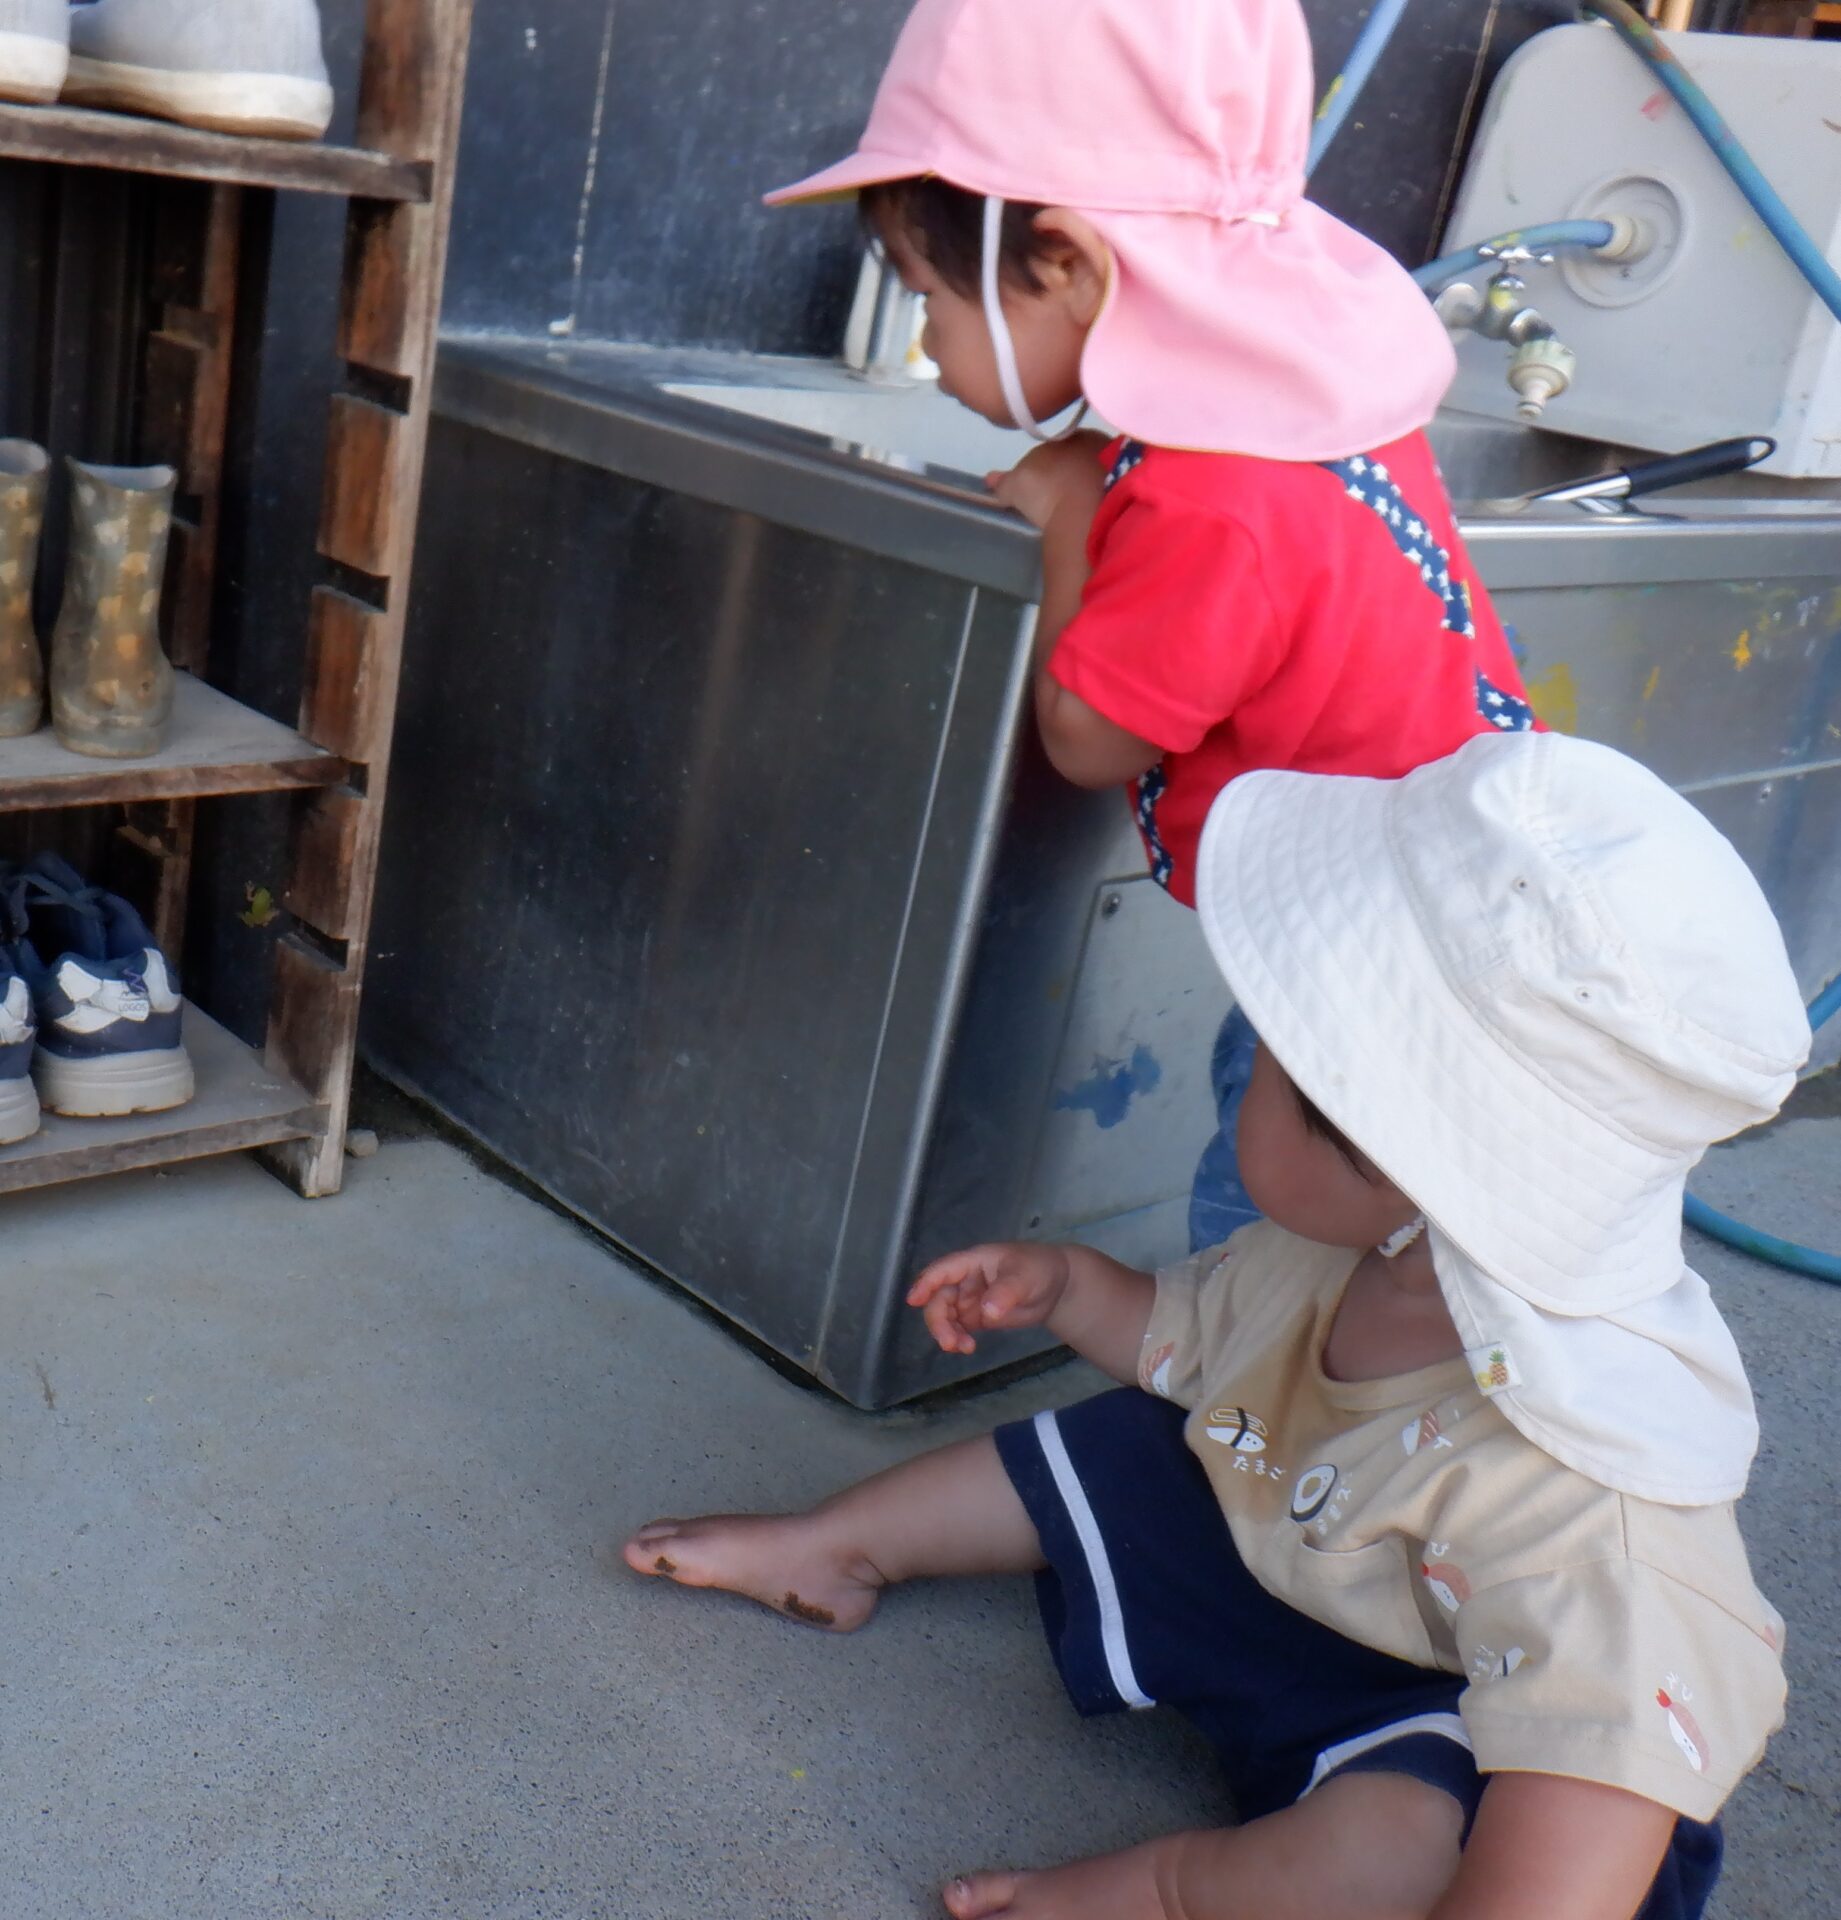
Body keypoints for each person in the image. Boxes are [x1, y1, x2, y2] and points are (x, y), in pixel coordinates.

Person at [623, 730, 1809, 1920]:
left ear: (1392, 1157)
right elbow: (1186, 1342)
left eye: (1265, 1064)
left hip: (1464, 1736)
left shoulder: (1601, 1507)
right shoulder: (1347, 1254)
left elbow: (1580, 1832)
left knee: (1401, 1844)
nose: (1239, 1067)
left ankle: (1171, 1891)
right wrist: (1070, 1287)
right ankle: (839, 1546)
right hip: (1311, 1585)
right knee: (1136, 1446)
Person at [764, 0, 1540, 1252]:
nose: (927, 343)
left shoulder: (1210, 495)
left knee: (1282, 1234)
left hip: (1363, 971)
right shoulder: (1304, 405)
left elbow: (1090, 738)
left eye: (928, 299)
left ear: (1066, 264)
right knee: (1411, 1237)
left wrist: (1072, 513)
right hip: (1448, 908)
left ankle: (1246, 1377)